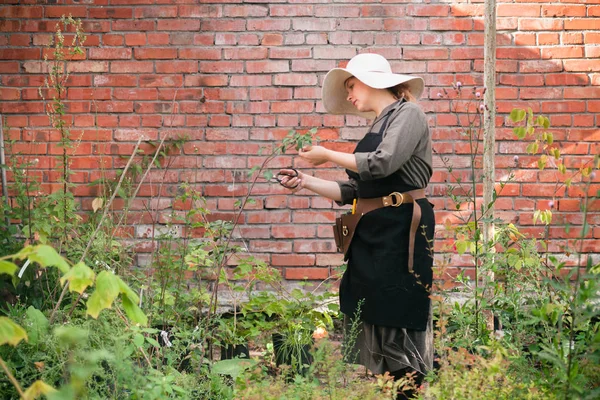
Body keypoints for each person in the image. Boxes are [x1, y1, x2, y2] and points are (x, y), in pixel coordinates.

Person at [277, 53, 435, 398]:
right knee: (375, 308)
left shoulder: (409, 114)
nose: (349, 95)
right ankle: (396, 390)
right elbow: (353, 190)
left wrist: (328, 154)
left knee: (400, 309)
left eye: (351, 85)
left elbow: (381, 164)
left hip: (402, 228)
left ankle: (409, 392)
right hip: (375, 230)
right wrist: (305, 180)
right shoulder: (379, 123)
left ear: (373, 80)